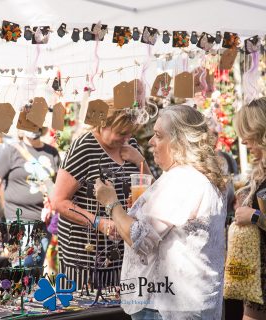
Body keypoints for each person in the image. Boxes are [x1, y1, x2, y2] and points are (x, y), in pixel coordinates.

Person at [95, 105, 226, 320]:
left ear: (179, 142)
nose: (150, 142)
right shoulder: (191, 177)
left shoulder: (183, 179)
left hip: (166, 307)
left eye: (158, 135)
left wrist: (111, 204)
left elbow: (139, 238)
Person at [51, 105, 152, 290]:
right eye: (122, 133)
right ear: (103, 125)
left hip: (125, 257)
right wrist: (100, 223)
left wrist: (140, 161)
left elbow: (151, 189)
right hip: (86, 259)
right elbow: (58, 202)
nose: (126, 138)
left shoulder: (130, 146)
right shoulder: (84, 147)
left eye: (130, 133)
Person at [0, 128, 60, 267]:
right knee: (22, 268)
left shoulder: (52, 153)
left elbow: (57, 186)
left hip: (44, 223)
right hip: (18, 221)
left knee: (35, 270)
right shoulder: (12, 150)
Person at [233, 98, 266, 320]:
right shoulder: (260, 171)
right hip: (257, 274)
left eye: (248, 134)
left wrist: (253, 215)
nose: (244, 141)